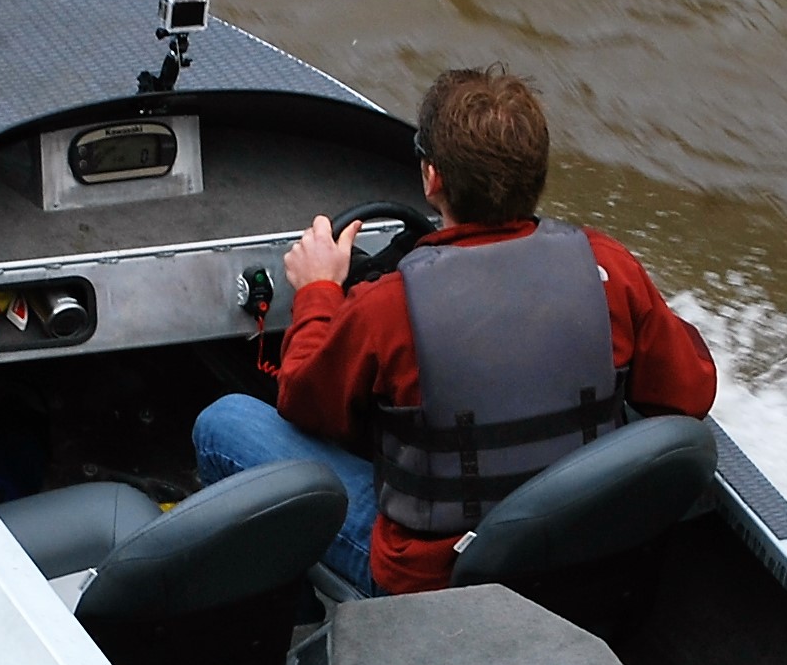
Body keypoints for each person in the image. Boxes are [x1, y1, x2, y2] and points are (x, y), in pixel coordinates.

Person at [193, 67, 716, 594]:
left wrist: (319, 290)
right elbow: (689, 393)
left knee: (224, 422)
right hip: (573, 548)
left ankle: (287, 615)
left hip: (434, 580)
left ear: (432, 179)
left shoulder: (388, 306)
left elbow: (304, 401)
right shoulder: (608, 267)